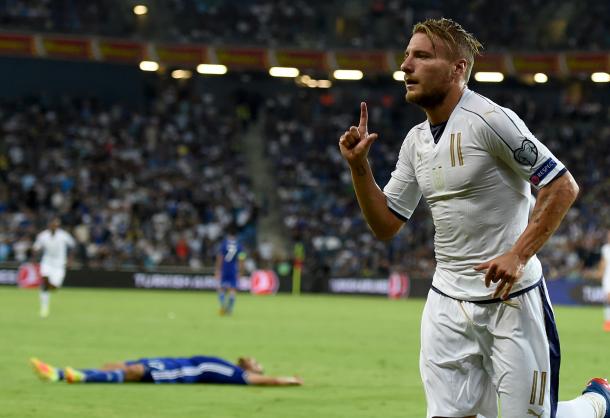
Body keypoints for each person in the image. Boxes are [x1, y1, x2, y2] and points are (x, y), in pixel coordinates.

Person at [338, 17, 609, 418]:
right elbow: (386, 225)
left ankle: (597, 403)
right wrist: (359, 168)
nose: (406, 66)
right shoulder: (415, 142)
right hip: (446, 303)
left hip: (510, 300)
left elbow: (561, 186)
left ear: (458, 69)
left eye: (422, 56)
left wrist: (517, 255)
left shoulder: (491, 121)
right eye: (406, 56)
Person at [30, 356, 302, 386]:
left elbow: (260, 381)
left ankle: (66, 376)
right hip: (171, 361)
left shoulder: (232, 374)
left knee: (134, 372)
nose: (253, 362)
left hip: (180, 372)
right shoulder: (230, 364)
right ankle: (62, 372)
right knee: (114, 366)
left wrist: (289, 380)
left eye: (257, 363)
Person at [32, 217, 76, 318]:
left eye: (56, 225)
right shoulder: (43, 235)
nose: (54, 226)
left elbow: (73, 246)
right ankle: (44, 309)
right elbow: (36, 247)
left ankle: (47, 286)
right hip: (47, 262)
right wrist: (34, 257)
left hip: (59, 264)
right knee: (45, 281)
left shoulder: (63, 235)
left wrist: (70, 260)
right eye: (53, 224)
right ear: (49, 225)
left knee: (54, 287)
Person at [215, 224, 245, 315]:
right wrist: (241, 271)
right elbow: (241, 259)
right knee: (232, 289)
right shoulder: (239, 246)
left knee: (221, 288)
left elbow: (220, 257)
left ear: (228, 234)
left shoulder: (224, 244)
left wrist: (217, 270)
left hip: (224, 268)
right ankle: (230, 309)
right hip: (233, 269)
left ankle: (222, 306)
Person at [596, 229, 610, 332]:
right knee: (608, 299)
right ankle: (607, 322)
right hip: (608, 277)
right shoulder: (605, 248)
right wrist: (600, 273)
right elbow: (603, 263)